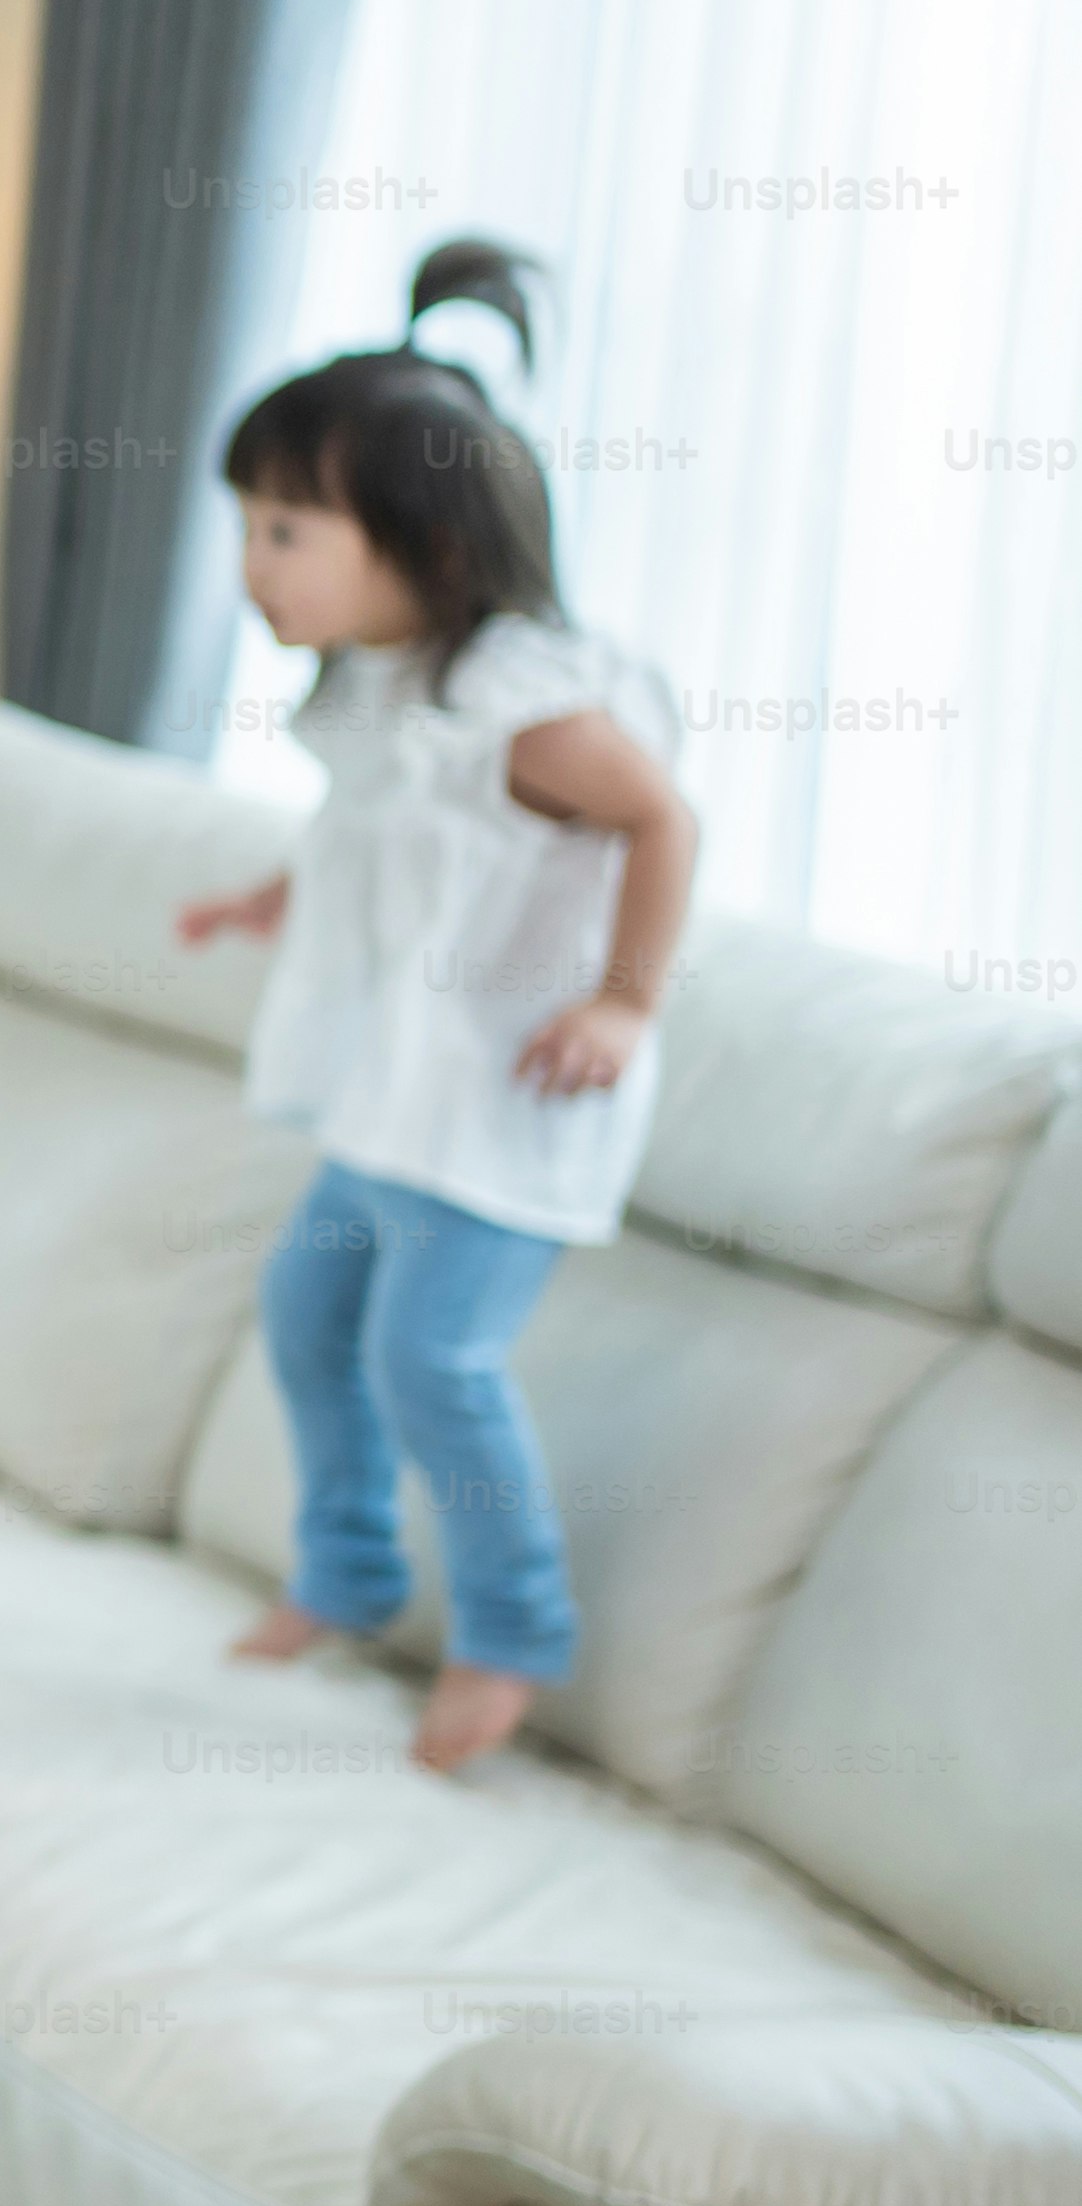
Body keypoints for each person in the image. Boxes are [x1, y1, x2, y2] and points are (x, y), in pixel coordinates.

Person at [175, 241, 694, 1774]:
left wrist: (623, 999)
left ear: (428, 545)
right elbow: (381, 838)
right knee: (303, 1312)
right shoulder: (379, 682)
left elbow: (662, 823)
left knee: (428, 1360)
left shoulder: (525, 707)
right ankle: (342, 1568)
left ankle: (509, 1630)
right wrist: (272, 900)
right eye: (248, 528)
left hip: (502, 1104)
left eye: (283, 530)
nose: (253, 565)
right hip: (388, 1093)